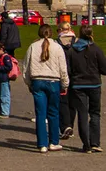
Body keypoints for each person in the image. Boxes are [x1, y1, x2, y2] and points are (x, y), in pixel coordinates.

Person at [24, 23, 68, 153]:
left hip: (37, 80)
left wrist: (29, 83)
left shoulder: (32, 47)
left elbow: (26, 67)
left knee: (40, 114)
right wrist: (65, 84)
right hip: (53, 81)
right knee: (53, 113)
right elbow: (63, 68)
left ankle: (42, 143)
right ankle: (53, 142)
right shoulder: (57, 47)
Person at [66, 26, 106, 153]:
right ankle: (95, 142)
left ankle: (86, 144)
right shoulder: (96, 49)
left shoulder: (72, 50)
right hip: (94, 84)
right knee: (95, 113)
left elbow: (68, 70)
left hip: (78, 85)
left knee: (82, 114)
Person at [55, 24, 78, 141]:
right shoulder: (77, 42)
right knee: (72, 102)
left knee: (63, 101)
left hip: (61, 74)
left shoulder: (56, 43)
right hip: (76, 75)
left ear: (60, 30)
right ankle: (71, 125)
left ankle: (65, 126)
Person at [0, 42, 16, 118]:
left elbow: (9, 67)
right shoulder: (0, 57)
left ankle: (5, 112)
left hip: (4, 79)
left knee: (4, 96)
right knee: (0, 96)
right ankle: (1, 111)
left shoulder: (6, 57)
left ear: (1, 49)